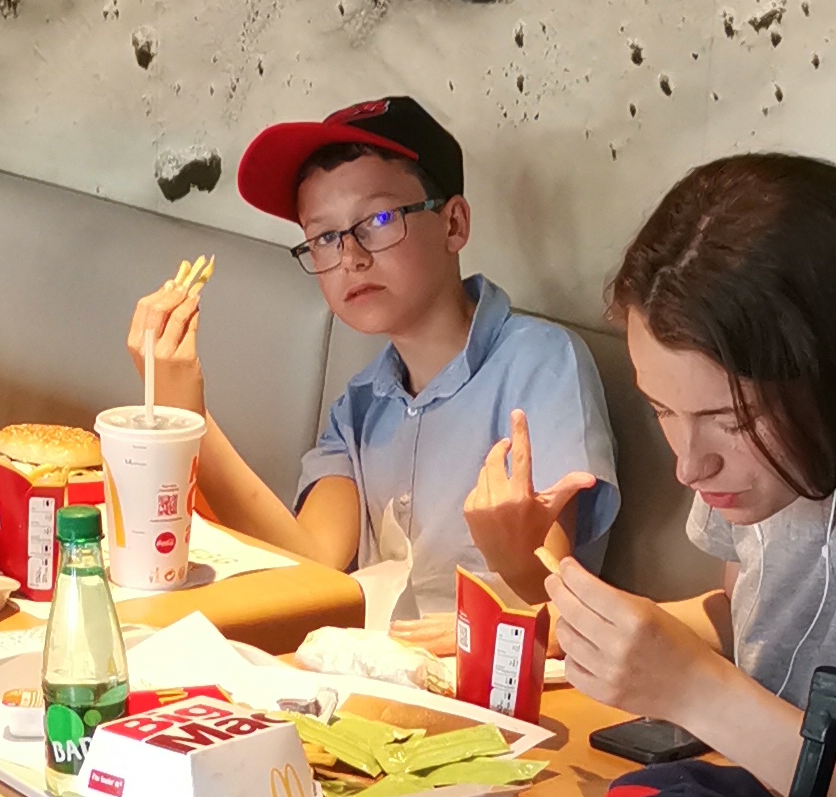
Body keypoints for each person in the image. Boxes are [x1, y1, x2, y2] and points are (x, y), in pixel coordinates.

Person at [474, 154, 836, 797]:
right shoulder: (755, 464)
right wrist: (562, 603)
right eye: (663, 409)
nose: (690, 467)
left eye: (733, 419)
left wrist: (695, 689)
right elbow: (747, 614)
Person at [124, 94, 616, 621]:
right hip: (365, 661)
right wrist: (190, 420)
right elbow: (309, 565)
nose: (350, 258)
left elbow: (553, 599)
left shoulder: (541, 364)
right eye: (324, 237)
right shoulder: (360, 407)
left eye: (379, 219)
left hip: (490, 668)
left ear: (453, 224)